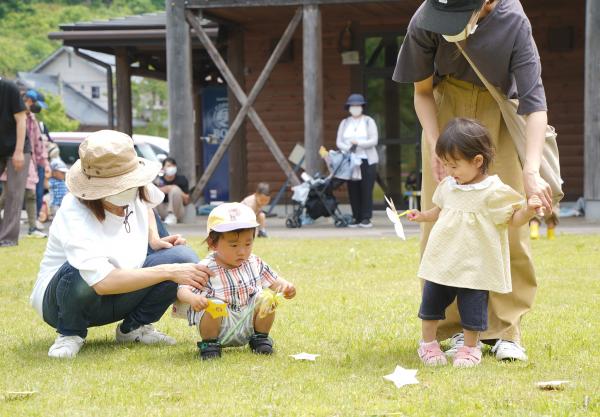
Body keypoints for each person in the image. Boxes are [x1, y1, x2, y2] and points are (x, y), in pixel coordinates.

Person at [393, 0, 553, 360]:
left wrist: (530, 170)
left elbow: (534, 104)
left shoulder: (513, 21)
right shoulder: (426, 18)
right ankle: (448, 329)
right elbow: (421, 92)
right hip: (445, 116)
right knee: (442, 223)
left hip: (498, 112)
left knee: (508, 222)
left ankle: (507, 330)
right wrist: (436, 146)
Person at [30, 130, 212, 359]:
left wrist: (153, 239)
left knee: (183, 257)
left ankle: (134, 328)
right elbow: (101, 281)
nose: (126, 194)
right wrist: (168, 271)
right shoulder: (73, 211)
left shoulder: (135, 190)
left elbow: (146, 204)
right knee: (78, 271)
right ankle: (70, 333)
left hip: (121, 286)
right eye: (116, 189)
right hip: (64, 300)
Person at [409, 118, 541, 367]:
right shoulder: (449, 185)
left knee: (472, 310)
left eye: (454, 165)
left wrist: (528, 211)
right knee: (431, 303)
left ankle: (470, 348)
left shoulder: (493, 190)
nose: (449, 171)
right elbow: (439, 210)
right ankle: (428, 344)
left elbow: (513, 219)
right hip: (443, 259)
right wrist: (422, 216)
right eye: (445, 164)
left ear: (477, 161)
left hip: (476, 264)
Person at [174, 202, 296, 360]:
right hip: (220, 324)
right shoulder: (206, 268)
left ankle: (260, 338)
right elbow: (182, 290)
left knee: (266, 298)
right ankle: (210, 344)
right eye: (234, 245)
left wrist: (285, 287)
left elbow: (273, 281)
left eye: (248, 244)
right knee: (214, 305)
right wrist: (194, 299)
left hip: (247, 322)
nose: (242, 251)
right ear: (213, 244)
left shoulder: (253, 262)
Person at [336, 93, 379, 228]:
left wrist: (358, 143)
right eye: (352, 106)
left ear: (362, 107)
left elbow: (374, 140)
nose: (355, 108)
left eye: (358, 105)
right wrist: (349, 147)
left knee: (366, 189)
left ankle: (366, 218)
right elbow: (339, 142)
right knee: (353, 189)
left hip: (367, 160)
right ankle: (356, 217)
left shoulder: (368, 121)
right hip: (351, 161)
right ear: (349, 108)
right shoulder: (345, 122)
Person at [0, 78, 30, 247]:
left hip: (18, 146)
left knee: (13, 193)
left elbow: (21, 120)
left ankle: (8, 238)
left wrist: (18, 152)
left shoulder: (9, 87)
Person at [157, 157, 190, 225]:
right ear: (163, 168)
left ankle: (172, 216)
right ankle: (156, 217)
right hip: (161, 209)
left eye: (173, 166)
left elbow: (186, 200)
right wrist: (163, 189)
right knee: (153, 191)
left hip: (177, 210)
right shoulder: (158, 180)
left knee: (175, 190)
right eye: (169, 166)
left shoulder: (182, 179)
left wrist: (176, 189)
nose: (171, 168)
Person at [47, 142, 68, 218]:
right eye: (62, 172)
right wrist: (46, 177)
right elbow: (47, 186)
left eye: (64, 173)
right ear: (54, 172)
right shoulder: (52, 181)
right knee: (57, 216)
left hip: (63, 203)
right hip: (55, 203)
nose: (64, 174)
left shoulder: (63, 181)